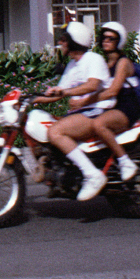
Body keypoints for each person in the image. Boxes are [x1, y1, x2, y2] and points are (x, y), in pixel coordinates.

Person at [29, 17, 112, 200]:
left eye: (64, 39)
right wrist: (31, 98)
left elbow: (92, 85)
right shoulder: (72, 66)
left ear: (74, 41)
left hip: (98, 112)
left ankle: (92, 175)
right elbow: (59, 93)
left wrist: (65, 92)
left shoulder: (93, 59)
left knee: (55, 132)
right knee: (45, 126)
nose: (60, 43)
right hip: (83, 113)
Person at [54, 20, 140, 181]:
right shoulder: (106, 62)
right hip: (113, 106)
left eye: (111, 38)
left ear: (119, 41)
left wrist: (84, 102)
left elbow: (112, 91)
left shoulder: (123, 63)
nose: (106, 41)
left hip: (126, 106)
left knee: (98, 124)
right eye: (104, 38)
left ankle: (125, 162)